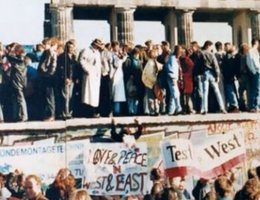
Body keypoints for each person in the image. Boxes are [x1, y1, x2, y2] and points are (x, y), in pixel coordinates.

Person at [79, 38, 103, 118]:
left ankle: (94, 111)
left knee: (95, 94)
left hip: (96, 75)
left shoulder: (97, 52)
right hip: (89, 74)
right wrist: (87, 69)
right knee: (89, 94)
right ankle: (90, 112)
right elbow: (82, 60)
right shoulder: (87, 50)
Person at [200, 40, 226, 114]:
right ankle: (222, 107)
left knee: (205, 92)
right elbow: (216, 65)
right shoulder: (211, 54)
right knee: (217, 91)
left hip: (204, 73)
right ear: (208, 46)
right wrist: (217, 75)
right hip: (212, 74)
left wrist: (198, 74)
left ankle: (204, 109)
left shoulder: (201, 53)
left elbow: (198, 65)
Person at [38, 37, 60, 121]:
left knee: (50, 96)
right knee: (47, 96)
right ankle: (48, 113)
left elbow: (53, 65)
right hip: (45, 76)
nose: (43, 46)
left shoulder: (51, 53)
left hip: (49, 77)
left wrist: (49, 74)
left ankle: (51, 114)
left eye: (45, 44)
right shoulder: (46, 52)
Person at [56, 40, 78, 119]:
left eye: (72, 47)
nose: (71, 49)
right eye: (69, 47)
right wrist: (64, 78)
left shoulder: (73, 57)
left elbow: (75, 68)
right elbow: (60, 69)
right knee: (65, 97)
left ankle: (69, 112)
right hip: (65, 80)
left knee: (70, 97)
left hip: (72, 80)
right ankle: (65, 113)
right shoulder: (62, 57)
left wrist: (75, 79)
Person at [7, 43, 28, 122]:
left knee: (20, 99)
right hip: (21, 81)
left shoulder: (19, 60)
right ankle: (20, 115)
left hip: (17, 81)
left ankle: (23, 116)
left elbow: (9, 56)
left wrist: (12, 48)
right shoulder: (22, 60)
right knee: (19, 99)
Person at [165, 45, 182, 115]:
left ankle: (171, 111)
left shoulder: (173, 58)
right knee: (176, 93)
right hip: (172, 78)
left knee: (173, 94)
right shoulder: (172, 58)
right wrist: (173, 78)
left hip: (173, 78)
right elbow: (170, 69)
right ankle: (178, 108)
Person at [246, 38, 260, 112]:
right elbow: (250, 62)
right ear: (256, 43)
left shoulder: (255, 51)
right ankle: (254, 106)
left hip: (256, 72)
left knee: (255, 89)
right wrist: (254, 71)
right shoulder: (252, 51)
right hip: (255, 72)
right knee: (255, 90)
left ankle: (255, 105)